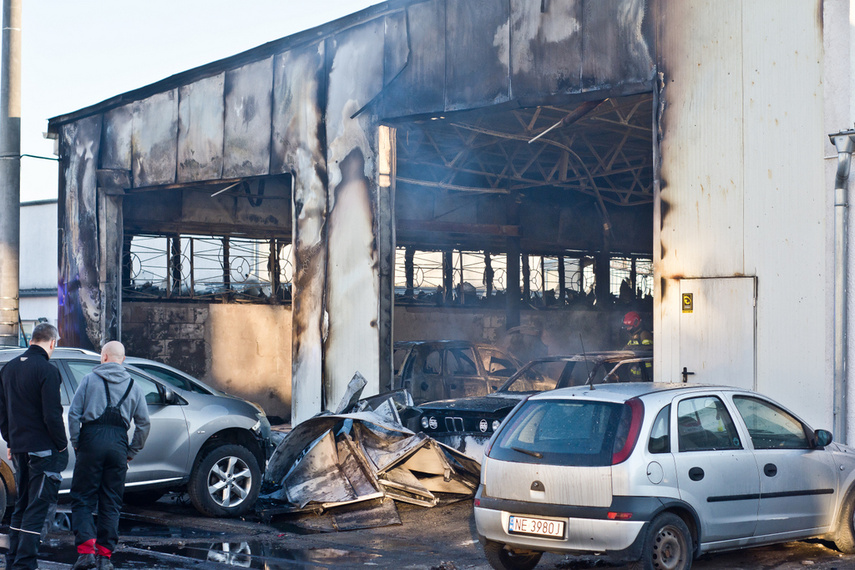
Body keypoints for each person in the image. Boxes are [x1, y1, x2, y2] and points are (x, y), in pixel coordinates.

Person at [69, 341, 150, 570]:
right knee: (111, 501)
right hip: (118, 445)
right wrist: (131, 451)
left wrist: (77, 443)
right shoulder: (134, 385)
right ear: (122, 359)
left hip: (90, 442)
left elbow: (74, 415)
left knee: (83, 498)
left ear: (103, 357)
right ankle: (105, 558)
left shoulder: (88, 380)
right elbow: (144, 424)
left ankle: (86, 554)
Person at [0, 322, 69, 570]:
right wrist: (62, 445)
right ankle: (25, 563)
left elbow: (3, 412)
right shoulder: (47, 370)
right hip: (43, 448)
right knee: (38, 506)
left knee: (22, 504)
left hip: (19, 447)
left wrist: (10, 440)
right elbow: (52, 414)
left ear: (31, 339)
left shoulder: (8, 369)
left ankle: (14, 558)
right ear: (52, 343)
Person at [622, 311, 653, 380]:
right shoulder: (633, 336)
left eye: (629, 327)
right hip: (635, 374)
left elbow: (650, 349)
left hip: (646, 371)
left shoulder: (644, 334)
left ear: (636, 324)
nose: (627, 329)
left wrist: (634, 348)